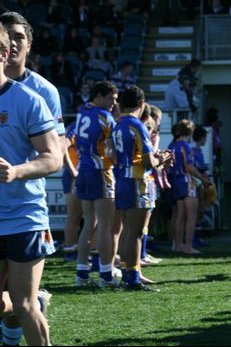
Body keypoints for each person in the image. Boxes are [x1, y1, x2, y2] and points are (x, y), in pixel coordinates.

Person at [0, 10, 70, 345]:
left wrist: (17, 171)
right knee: (12, 302)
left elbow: (55, 153)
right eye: (7, 37)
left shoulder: (39, 94)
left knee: (23, 304)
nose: (13, 44)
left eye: (19, 37)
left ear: (29, 44)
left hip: (23, 210)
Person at [112, 85, 173, 290]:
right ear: (141, 103)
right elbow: (148, 161)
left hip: (121, 179)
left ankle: (132, 273)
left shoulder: (117, 124)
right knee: (135, 232)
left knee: (128, 231)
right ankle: (132, 277)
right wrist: (162, 158)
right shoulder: (136, 125)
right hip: (137, 181)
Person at [75, 81, 119, 288]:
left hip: (82, 169)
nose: (113, 103)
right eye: (111, 98)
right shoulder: (105, 117)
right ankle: (106, 275)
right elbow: (113, 150)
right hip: (100, 171)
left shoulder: (83, 111)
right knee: (105, 225)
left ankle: (82, 274)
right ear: (99, 96)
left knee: (88, 222)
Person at [169, 119, 210, 254]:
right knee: (191, 216)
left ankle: (178, 244)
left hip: (175, 181)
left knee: (179, 215)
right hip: (187, 181)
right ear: (191, 132)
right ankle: (188, 246)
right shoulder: (185, 146)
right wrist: (202, 179)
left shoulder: (173, 145)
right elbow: (189, 167)